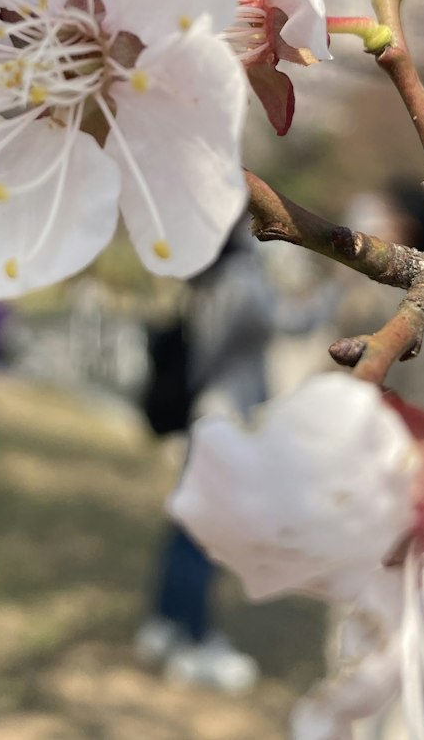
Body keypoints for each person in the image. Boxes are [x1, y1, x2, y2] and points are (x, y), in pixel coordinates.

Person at [135, 223, 276, 693]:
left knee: (186, 525)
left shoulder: (211, 276)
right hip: (226, 418)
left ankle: (166, 624)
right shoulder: (238, 277)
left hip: (209, 418)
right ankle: (195, 642)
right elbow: (220, 348)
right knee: (205, 534)